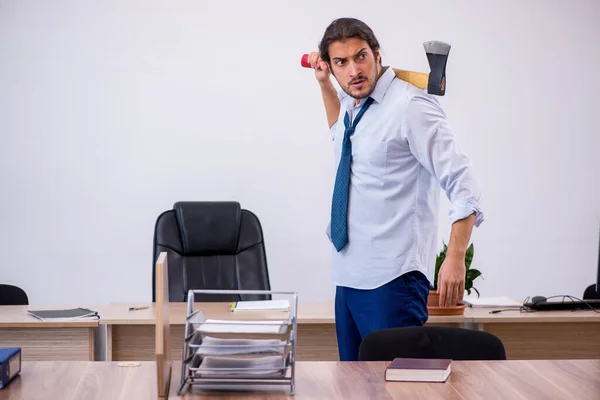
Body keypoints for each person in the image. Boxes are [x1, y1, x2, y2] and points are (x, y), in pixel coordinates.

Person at [307, 18, 484, 361]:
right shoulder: (353, 106)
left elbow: (464, 183)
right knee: (354, 389)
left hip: (392, 280)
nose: (354, 70)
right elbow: (339, 137)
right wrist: (324, 84)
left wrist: (456, 257)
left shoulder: (410, 107)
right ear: (332, 66)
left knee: (397, 390)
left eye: (361, 57)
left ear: (376, 53)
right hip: (347, 277)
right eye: (342, 63)